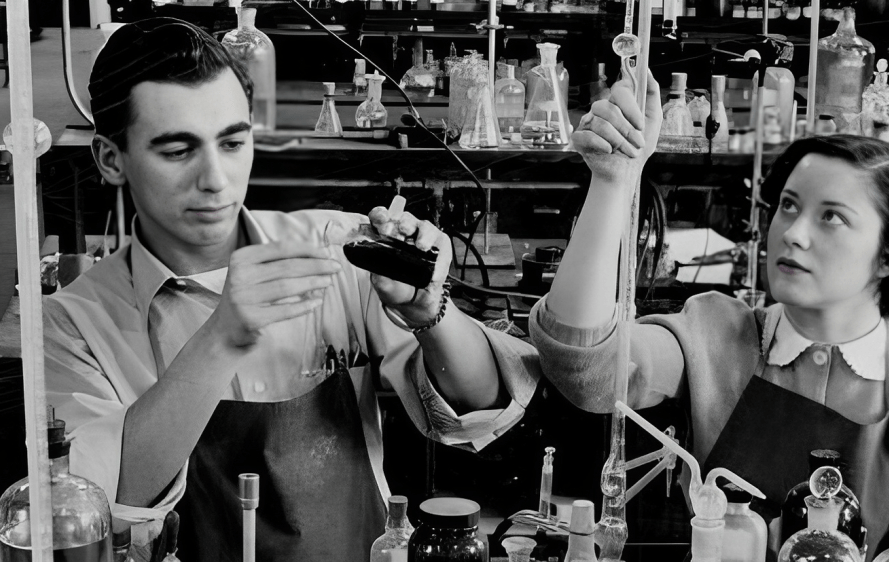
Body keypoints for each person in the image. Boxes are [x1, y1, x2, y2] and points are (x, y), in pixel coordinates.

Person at [43, 18, 539, 562]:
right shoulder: (70, 325)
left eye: (233, 142)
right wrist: (221, 339)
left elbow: (480, 409)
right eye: (177, 150)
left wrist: (431, 313)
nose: (216, 178)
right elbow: (97, 506)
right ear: (111, 159)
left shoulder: (332, 250)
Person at [530, 73, 889, 560]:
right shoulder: (716, 334)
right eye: (789, 206)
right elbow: (587, 371)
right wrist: (611, 181)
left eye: (831, 216)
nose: (792, 233)